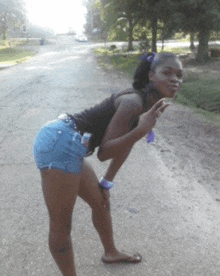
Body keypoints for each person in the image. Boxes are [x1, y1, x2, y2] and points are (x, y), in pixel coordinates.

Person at [33, 52, 183, 276]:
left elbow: (126, 144)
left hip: (72, 142)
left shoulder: (148, 104)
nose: (175, 79)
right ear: (151, 76)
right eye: (167, 72)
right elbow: (105, 152)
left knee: (101, 201)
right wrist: (141, 130)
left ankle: (111, 252)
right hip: (60, 141)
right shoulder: (133, 102)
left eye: (179, 75)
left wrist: (107, 182)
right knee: (61, 225)